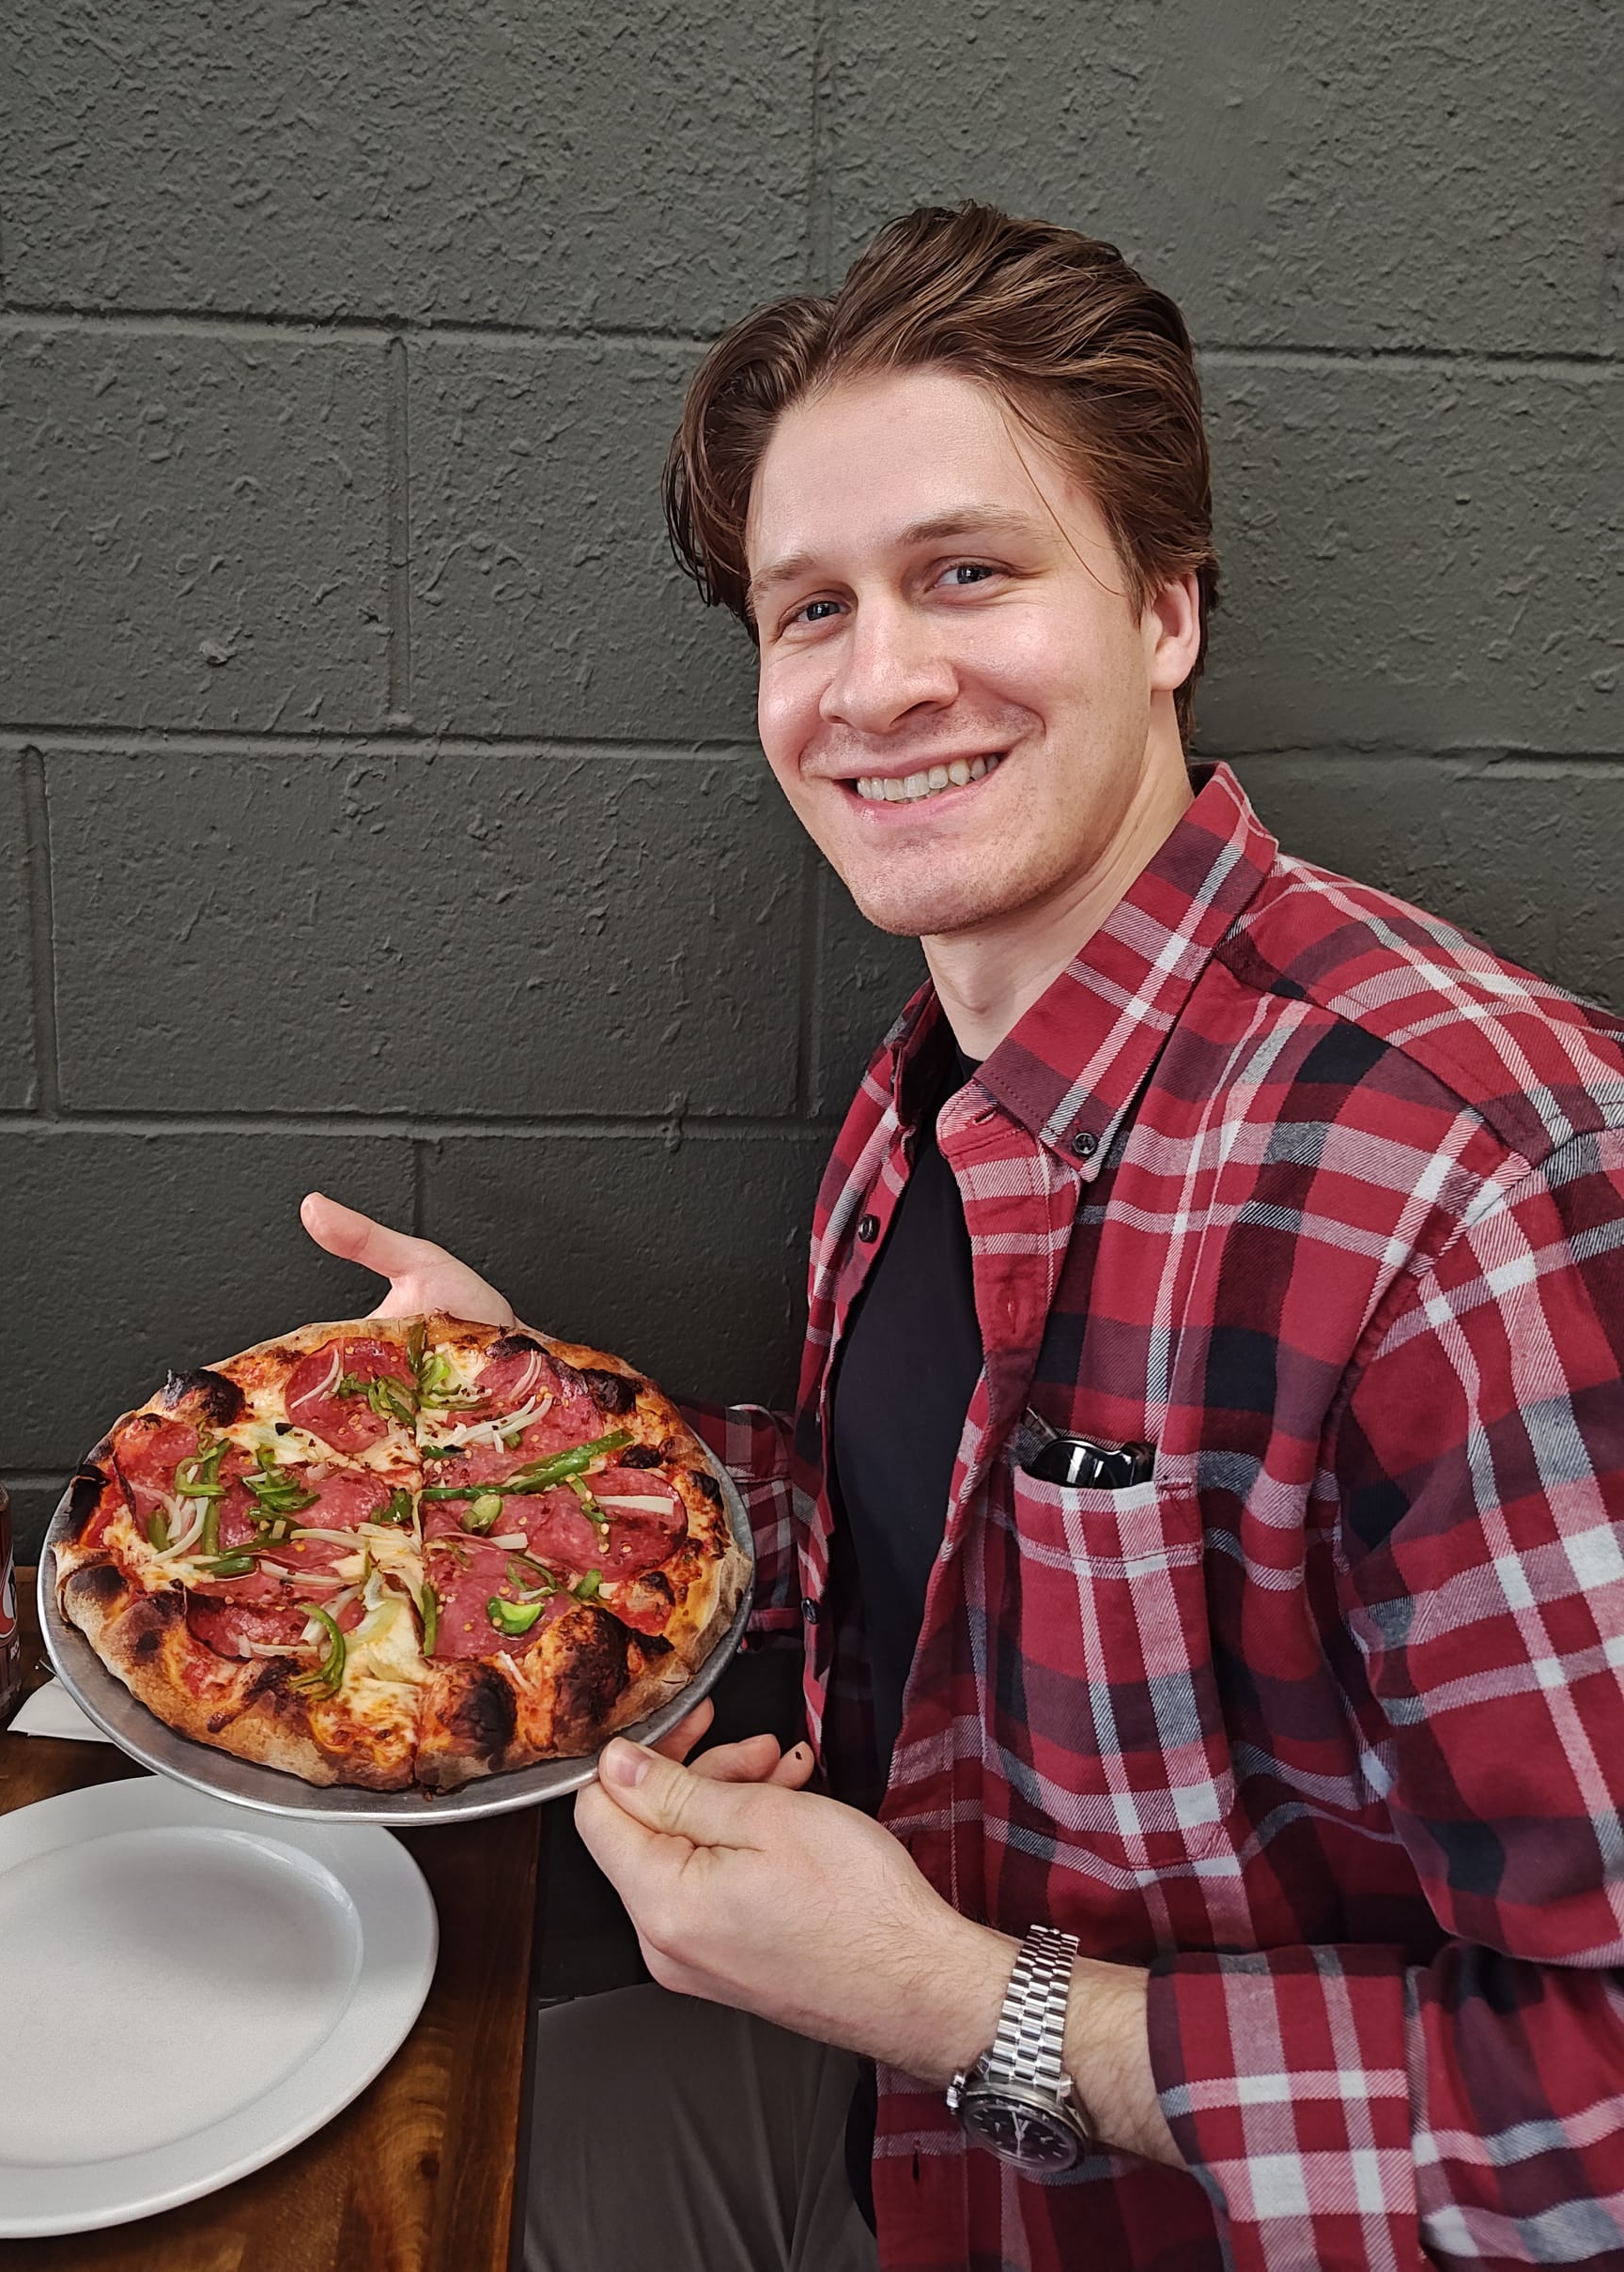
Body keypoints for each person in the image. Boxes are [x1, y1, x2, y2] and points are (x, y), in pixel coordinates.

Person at [302, 206, 1624, 2270]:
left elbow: (1598, 2108)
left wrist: (962, 2006)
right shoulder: (930, 1083)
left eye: (967, 573)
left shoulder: (1472, 1183)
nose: (879, 681)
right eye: (807, 609)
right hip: (897, 2140)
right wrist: (521, 1442)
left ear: (1166, 609)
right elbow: (907, 1531)